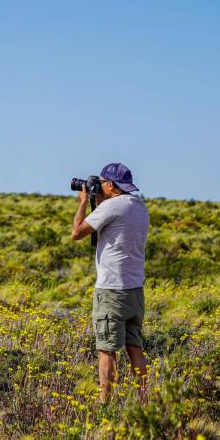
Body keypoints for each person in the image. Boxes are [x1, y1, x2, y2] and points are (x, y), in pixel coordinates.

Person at [70, 163, 150, 403]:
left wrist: (83, 201)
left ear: (110, 185)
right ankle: (144, 400)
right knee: (134, 347)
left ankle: (105, 403)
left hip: (111, 290)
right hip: (135, 290)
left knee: (107, 349)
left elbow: (77, 232)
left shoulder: (111, 207)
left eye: (102, 182)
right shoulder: (140, 207)